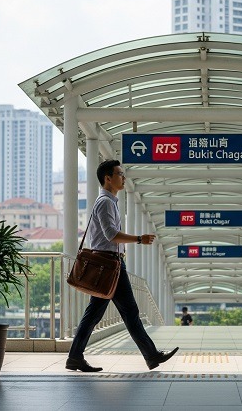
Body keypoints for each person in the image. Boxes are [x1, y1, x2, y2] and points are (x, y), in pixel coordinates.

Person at [65, 159, 179, 372]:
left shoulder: (109, 201)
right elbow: (111, 235)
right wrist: (138, 239)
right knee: (126, 312)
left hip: (110, 265)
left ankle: (76, 357)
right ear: (108, 178)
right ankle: (151, 355)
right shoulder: (106, 202)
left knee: (102, 313)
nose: (123, 177)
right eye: (119, 174)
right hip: (108, 266)